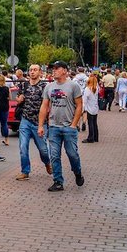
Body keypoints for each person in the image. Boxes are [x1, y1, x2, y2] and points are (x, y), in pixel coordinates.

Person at [38, 60, 84, 192]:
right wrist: (41, 125)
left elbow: (79, 105)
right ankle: (58, 181)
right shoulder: (49, 87)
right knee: (54, 155)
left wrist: (74, 124)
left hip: (69, 127)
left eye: (57, 68)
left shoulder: (73, 86)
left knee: (72, 154)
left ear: (64, 70)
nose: (54, 70)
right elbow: (44, 106)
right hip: (54, 127)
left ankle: (77, 172)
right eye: (53, 68)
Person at [15, 64, 51, 181]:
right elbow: (19, 97)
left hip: (39, 122)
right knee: (23, 147)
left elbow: (47, 105)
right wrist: (19, 99)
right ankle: (25, 171)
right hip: (25, 120)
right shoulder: (24, 85)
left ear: (40, 72)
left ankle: (47, 162)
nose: (32, 72)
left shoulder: (44, 86)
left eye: (35, 70)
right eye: (30, 70)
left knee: (43, 150)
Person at [82, 73, 100, 143]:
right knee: (95, 123)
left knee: (90, 123)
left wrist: (83, 109)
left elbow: (85, 100)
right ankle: (96, 137)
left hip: (89, 108)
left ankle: (90, 137)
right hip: (95, 107)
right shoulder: (96, 89)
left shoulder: (87, 89)